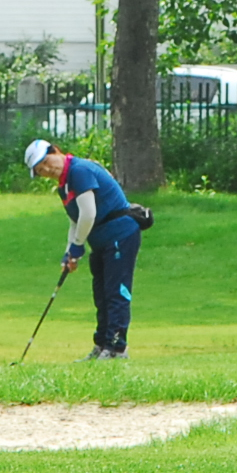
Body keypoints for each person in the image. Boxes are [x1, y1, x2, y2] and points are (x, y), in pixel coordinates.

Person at [26, 138, 151, 360]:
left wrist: (77, 247)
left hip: (120, 235)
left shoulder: (79, 171)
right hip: (102, 242)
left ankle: (116, 349)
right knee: (101, 294)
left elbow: (89, 214)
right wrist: (69, 252)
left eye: (46, 161)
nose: (46, 169)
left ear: (56, 151)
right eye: (40, 170)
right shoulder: (64, 187)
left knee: (116, 293)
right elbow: (75, 221)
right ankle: (102, 345)